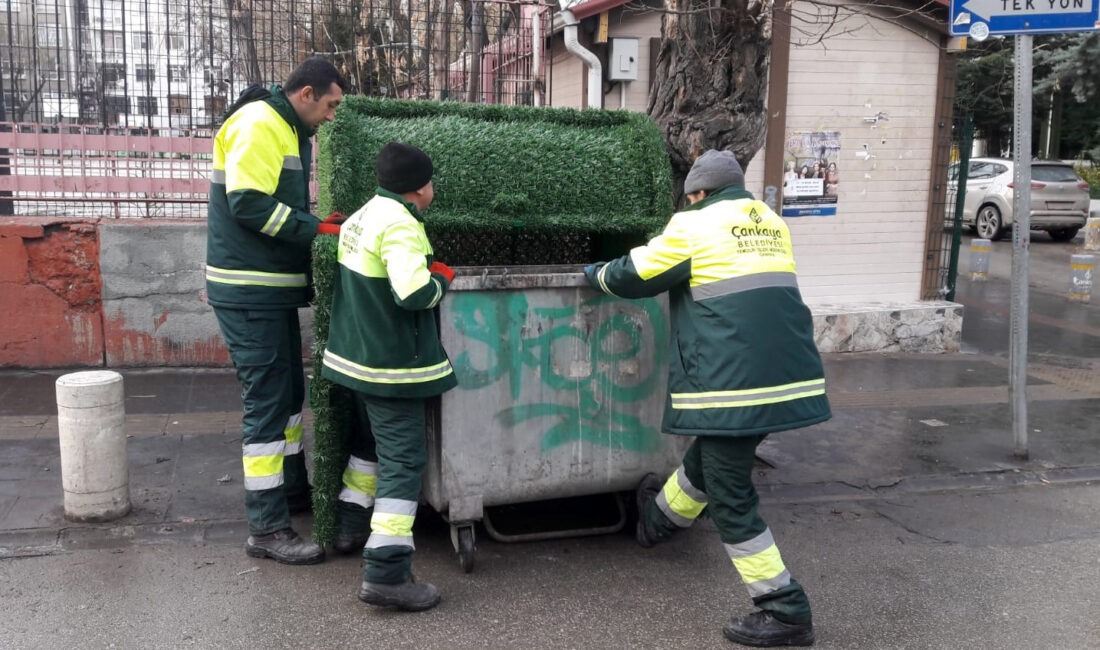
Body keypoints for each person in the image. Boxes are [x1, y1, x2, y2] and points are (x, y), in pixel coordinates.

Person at [584, 150, 831, 647]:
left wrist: (594, 273)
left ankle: (784, 608)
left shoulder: (693, 224)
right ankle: (656, 522)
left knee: (729, 494)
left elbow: (637, 274)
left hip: (734, 382)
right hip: (785, 376)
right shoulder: (769, 221)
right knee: (713, 459)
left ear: (697, 193)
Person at [206, 57, 348, 565]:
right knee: (268, 403)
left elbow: (270, 200)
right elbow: (248, 204)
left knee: (288, 394)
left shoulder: (285, 128)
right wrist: (315, 230)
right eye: (330, 104)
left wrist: (314, 222)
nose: (333, 116)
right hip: (249, 290)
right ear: (306, 93)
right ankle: (266, 529)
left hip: (268, 290)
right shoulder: (261, 123)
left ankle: (290, 493)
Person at [321, 142, 458, 612]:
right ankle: (387, 574)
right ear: (421, 187)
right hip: (390, 369)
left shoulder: (364, 215)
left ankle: (349, 526)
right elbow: (413, 293)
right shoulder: (401, 223)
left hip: (356, 361)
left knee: (370, 447)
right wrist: (441, 276)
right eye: (431, 181)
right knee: (403, 461)